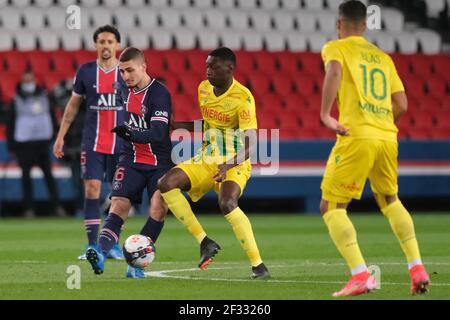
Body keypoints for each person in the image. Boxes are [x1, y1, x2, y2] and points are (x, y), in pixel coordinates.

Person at [319, 0, 430, 297]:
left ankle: (360, 275)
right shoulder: (383, 57)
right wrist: (380, 121)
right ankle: (417, 267)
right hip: (387, 137)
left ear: (339, 24)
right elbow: (403, 105)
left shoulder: (336, 47)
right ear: (365, 24)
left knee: (331, 206)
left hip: (357, 136)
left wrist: (326, 114)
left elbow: (333, 72)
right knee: (390, 200)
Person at [158, 47, 270, 280]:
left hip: (235, 161)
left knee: (227, 203)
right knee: (166, 183)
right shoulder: (203, 89)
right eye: (207, 66)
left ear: (230, 68)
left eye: (213, 66)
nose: (207, 70)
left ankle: (258, 266)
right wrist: (178, 125)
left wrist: (227, 166)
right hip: (207, 158)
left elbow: (251, 146)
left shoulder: (243, 98)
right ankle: (205, 242)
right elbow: (209, 125)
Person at [85, 47, 173, 278]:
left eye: (130, 70)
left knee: (158, 207)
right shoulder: (122, 90)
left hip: (159, 162)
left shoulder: (159, 94)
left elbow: (157, 132)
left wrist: (130, 133)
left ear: (144, 67)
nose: (125, 76)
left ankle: (135, 264)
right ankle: (100, 254)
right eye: (122, 71)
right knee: (119, 205)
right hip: (130, 158)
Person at [53, 25, 125, 260]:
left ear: (117, 46)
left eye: (110, 41)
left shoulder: (126, 72)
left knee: (119, 196)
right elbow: (73, 106)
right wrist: (61, 136)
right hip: (93, 142)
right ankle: (93, 246)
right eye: (101, 41)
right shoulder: (85, 72)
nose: (105, 45)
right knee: (92, 190)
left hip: (121, 144)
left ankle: (111, 244)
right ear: (96, 45)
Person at [6, 70, 67, 218]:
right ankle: (29, 209)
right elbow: (11, 124)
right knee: (26, 178)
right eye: (26, 81)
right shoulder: (16, 100)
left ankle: (57, 207)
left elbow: (52, 117)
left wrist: (55, 136)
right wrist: (12, 146)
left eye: (30, 80)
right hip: (24, 145)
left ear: (35, 80)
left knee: (49, 176)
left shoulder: (45, 97)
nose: (29, 84)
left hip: (42, 143)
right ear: (22, 82)